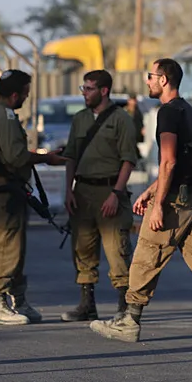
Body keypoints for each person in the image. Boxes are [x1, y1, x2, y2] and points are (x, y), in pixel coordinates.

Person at [89, 58, 192, 344]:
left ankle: (129, 320)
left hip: (173, 203)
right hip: (190, 198)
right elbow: (183, 163)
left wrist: (157, 204)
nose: (147, 81)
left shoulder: (167, 113)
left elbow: (168, 161)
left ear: (164, 79)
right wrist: (150, 190)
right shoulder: (187, 110)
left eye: (150, 76)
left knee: (145, 255)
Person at [0, 70, 66, 324]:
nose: (26, 98)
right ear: (15, 94)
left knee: (15, 244)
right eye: (26, 93)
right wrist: (47, 158)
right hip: (2, 187)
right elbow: (16, 157)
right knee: (5, 244)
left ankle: (18, 298)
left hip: (6, 186)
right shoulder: (3, 116)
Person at [61, 70, 138, 322]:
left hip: (109, 191)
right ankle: (87, 304)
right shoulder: (80, 119)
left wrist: (116, 193)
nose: (84, 93)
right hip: (82, 192)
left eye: (89, 88)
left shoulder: (121, 119)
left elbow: (128, 160)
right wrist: (69, 190)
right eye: (83, 88)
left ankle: (124, 308)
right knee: (83, 250)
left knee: (117, 250)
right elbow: (71, 156)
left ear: (104, 91)